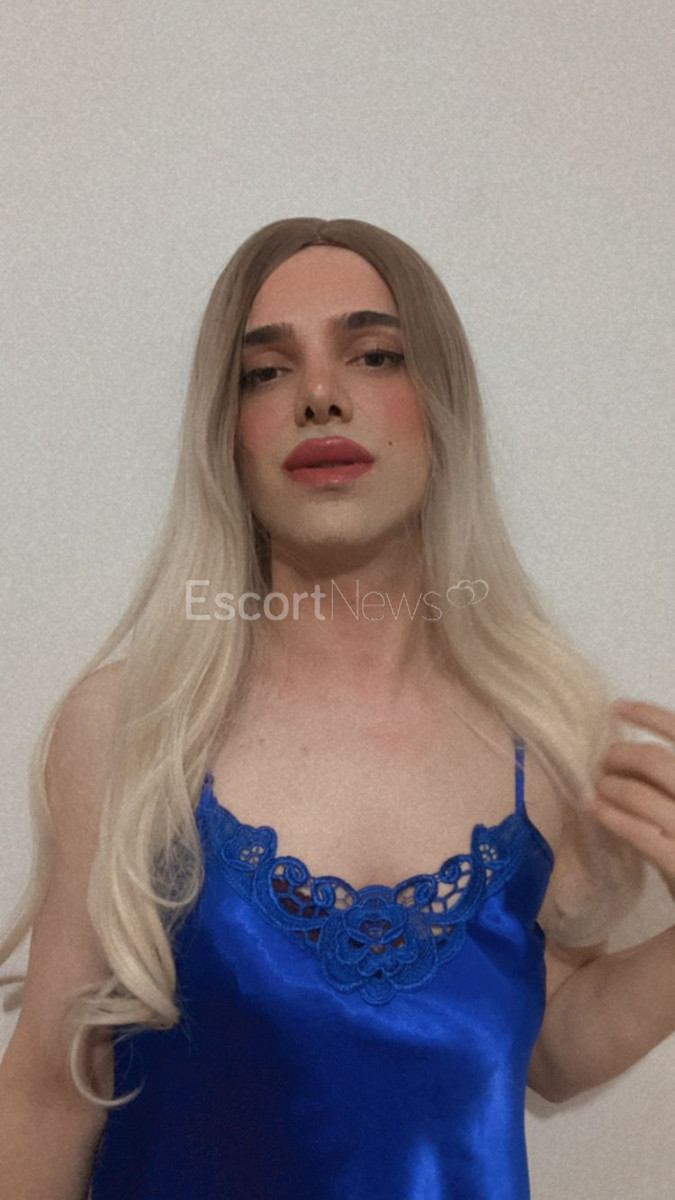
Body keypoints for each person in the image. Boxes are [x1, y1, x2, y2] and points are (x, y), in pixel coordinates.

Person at [1, 218, 673, 1200]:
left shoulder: (548, 739)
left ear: (442, 403)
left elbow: (553, 1050)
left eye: (374, 354)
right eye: (265, 372)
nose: (319, 395)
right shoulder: (132, 733)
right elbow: (47, 1096)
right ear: (225, 431)